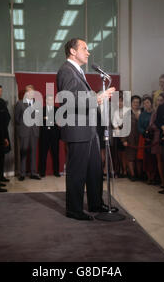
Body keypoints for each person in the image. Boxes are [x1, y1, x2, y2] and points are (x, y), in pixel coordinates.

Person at [56, 38, 115, 221]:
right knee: (77, 172)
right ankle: (74, 210)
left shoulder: (77, 71)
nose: (88, 52)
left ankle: (96, 203)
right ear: (72, 51)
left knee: (94, 170)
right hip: (78, 130)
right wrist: (97, 98)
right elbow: (68, 99)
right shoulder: (67, 70)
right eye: (84, 48)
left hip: (89, 130)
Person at [15, 84, 41, 181]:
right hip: (24, 132)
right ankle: (22, 173)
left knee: (33, 153)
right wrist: (21, 129)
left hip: (34, 132)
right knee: (23, 152)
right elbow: (17, 119)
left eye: (31, 91)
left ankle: (33, 173)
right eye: (27, 91)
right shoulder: (20, 103)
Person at [39, 94, 60, 178]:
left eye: (52, 100)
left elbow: (59, 121)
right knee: (43, 154)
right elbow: (39, 120)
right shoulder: (42, 109)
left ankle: (56, 172)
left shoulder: (57, 109)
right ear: (46, 101)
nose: (50, 101)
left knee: (55, 154)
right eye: (49, 100)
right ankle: (42, 172)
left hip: (55, 134)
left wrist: (47, 118)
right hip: (44, 134)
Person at [122, 95, 141, 181]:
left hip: (141, 138)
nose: (136, 104)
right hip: (130, 138)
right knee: (131, 157)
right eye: (134, 102)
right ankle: (132, 174)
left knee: (139, 157)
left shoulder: (142, 112)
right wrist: (124, 140)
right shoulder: (127, 113)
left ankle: (139, 174)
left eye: (137, 102)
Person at [138, 96, 157, 184]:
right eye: (144, 103)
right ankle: (149, 177)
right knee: (147, 158)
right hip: (146, 137)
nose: (146, 105)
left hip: (155, 138)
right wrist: (145, 133)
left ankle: (154, 176)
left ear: (151, 103)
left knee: (154, 158)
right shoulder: (142, 114)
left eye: (148, 103)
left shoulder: (155, 113)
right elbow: (139, 126)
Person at [112, 91, 130, 177]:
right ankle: (119, 170)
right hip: (118, 135)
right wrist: (117, 129)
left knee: (125, 155)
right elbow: (114, 123)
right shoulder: (115, 112)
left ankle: (126, 171)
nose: (120, 103)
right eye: (118, 101)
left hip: (127, 134)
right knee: (118, 155)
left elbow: (128, 123)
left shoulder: (128, 110)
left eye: (121, 101)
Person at [0, 84, 11, 184]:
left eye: (1, 91)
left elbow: (7, 117)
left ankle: (1, 176)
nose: (0, 93)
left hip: (3, 132)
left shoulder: (1, 102)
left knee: (2, 156)